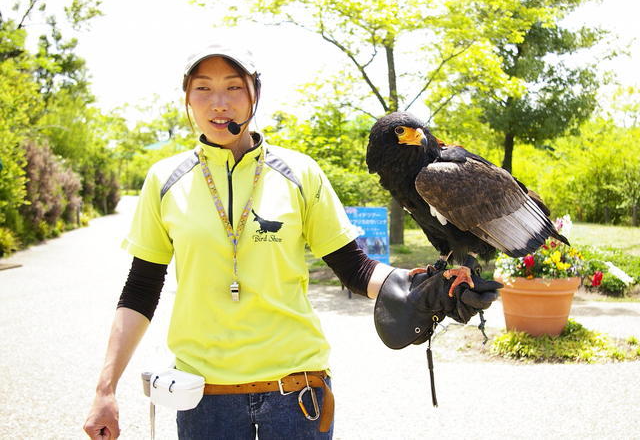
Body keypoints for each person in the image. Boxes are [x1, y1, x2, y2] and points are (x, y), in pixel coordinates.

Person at [83, 44, 500, 439]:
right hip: (204, 398)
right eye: (203, 89)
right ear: (187, 99)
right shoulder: (163, 180)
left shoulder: (299, 173)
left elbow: (354, 267)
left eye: (233, 86)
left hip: (297, 393)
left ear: (254, 95)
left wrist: (422, 285)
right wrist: (105, 389)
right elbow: (140, 289)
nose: (219, 103)